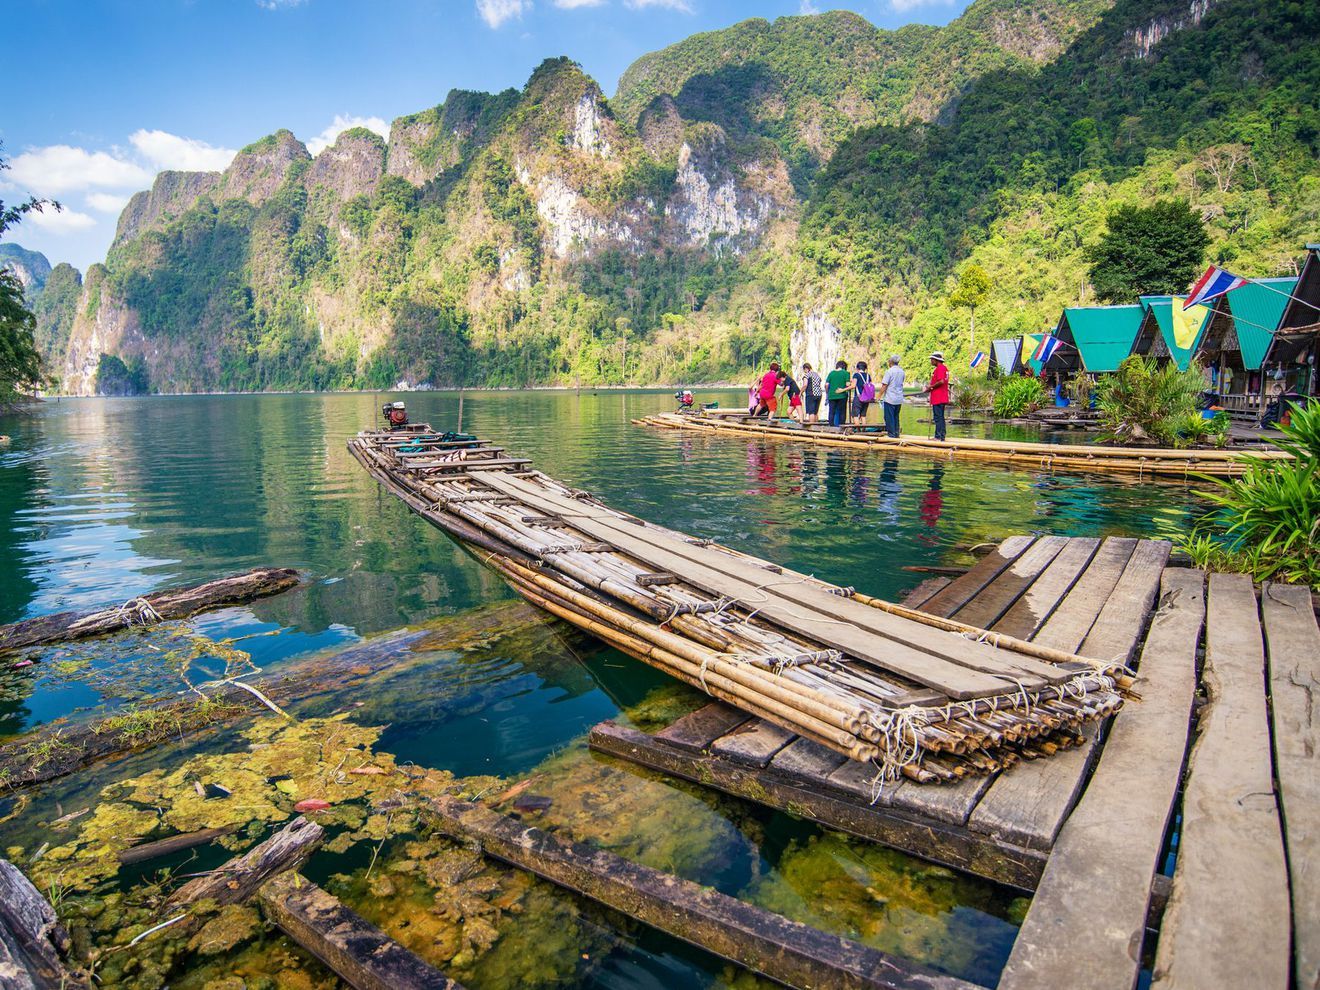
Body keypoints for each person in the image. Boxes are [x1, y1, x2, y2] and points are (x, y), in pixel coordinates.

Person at [921, 351, 950, 440]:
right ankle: (941, 435)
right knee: (939, 416)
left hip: (939, 397)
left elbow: (941, 381)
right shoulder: (943, 368)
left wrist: (930, 387)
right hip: (940, 396)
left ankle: (939, 436)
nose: (931, 361)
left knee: (938, 417)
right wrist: (929, 388)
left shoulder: (940, 368)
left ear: (936, 360)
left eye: (932, 359)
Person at [877, 354, 905, 438]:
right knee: (896, 417)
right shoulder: (902, 371)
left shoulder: (889, 371)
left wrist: (878, 396)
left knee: (889, 417)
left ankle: (891, 435)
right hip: (899, 398)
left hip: (890, 398)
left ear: (891, 362)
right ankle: (896, 434)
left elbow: (884, 385)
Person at [825, 360, 850, 427]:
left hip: (832, 395)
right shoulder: (846, 373)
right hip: (842, 395)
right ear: (844, 367)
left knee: (831, 411)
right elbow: (848, 384)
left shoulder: (831, 373)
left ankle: (831, 426)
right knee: (842, 411)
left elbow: (826, 385)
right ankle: (842, 427)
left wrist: (827, 392)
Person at [848, 361, 875, 426]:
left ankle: (857, 430)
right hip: (866, 398)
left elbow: (853, 385)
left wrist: (843, 389)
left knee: (855, 415)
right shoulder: (868, 376)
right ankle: (864, 430)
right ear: (865, 368)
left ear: (857, 368)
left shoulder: (856, 375)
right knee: (863, 415)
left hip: (858, 397)